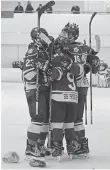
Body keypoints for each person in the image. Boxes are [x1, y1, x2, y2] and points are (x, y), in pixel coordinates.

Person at [57, 22, 101, 157]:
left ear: (73, 35)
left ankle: (78, 145)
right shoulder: (83, 47)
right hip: (81, 86)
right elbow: (93, 57)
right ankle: (79, 144)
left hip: (72, 87)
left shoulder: (66, 48)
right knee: (76, 118)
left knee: (72, 118)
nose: (64, 35)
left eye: (67, 33)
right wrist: (94, 55)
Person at [23, 27, 52, 167]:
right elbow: (28, 74)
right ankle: (30, 148)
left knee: (45, 119)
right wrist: (39, 68)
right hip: (35, 89)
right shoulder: (33, 51)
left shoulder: (44, 51)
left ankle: (40, 145)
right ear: (37, 37)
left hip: (45, 89)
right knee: (37, 118)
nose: (47, 38)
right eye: (44, 36)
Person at [48, 39, 81, 157]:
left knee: (57, 123)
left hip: (59, 96)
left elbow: (56, 74)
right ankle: (71, 146)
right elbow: (77, 71)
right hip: (73, 97)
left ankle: (57, 147)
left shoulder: (56, 58)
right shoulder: (71, 58)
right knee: (69, 124)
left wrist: (48, 74)